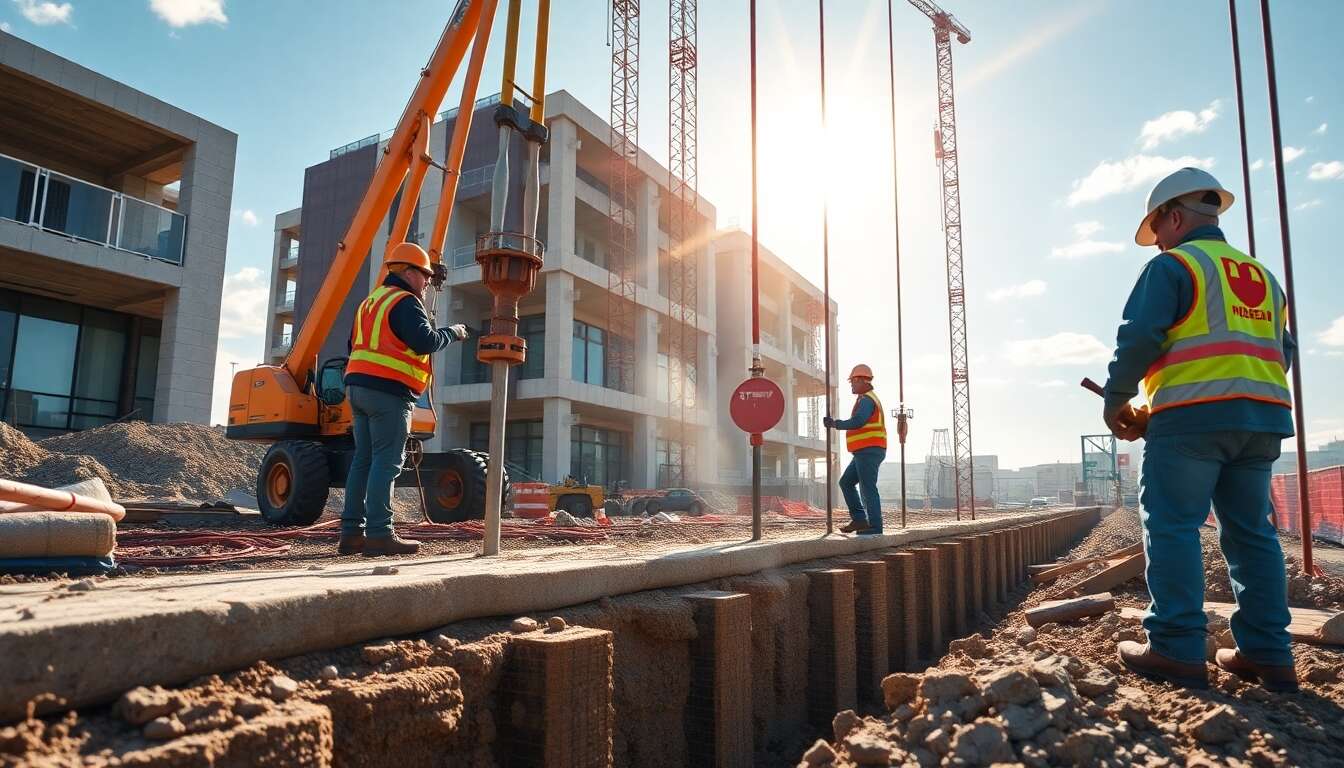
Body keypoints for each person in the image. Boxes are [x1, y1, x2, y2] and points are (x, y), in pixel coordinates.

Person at [1103, 167, 1297, 692]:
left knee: (1172, 527)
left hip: (1191, 420)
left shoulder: (1173, 266)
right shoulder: (1262, 277)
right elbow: (1283, 351)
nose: (1157, 241)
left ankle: (1176, 648)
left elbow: (1139, 337)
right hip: (1261, 421)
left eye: (1156, 229)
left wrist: (1118, 400)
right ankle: (1269, 654)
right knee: (1252, 534)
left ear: (1173, 218)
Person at [339, 242, 468, 557]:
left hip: (358, 389)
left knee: (363, 461)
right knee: (387, 462)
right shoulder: (405, 301)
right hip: (388, 393)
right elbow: (425, 341)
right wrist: (453, 332)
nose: (427, 283)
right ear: (408, 272)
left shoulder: (370, 302)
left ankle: (351, 534)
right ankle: (380, 534)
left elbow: (352, 345)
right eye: (424, 275)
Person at [824, 364, 887, 535]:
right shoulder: (864, 399)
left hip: (869, 450)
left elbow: (859, 421)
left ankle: (875, 526)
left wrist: (835, 424)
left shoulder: (867, 400)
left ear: (861, 380)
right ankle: (859, 519)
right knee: (846, 482)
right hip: (863, 451)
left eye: (852, 381)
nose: (851, 384)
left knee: (867, 488)